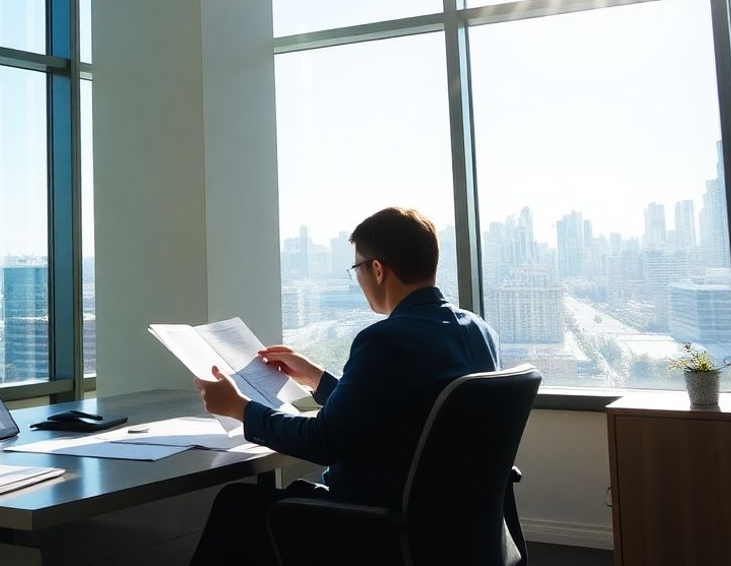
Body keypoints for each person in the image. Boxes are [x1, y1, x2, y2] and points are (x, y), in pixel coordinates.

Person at [190, 207, 501, 565]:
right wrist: (318, 379)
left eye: (357, 268)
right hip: (452, 528)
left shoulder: (386, 340)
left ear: (378, 269)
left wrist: (239, 408)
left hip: (377, 525)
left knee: (237, 505)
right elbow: (402, 409)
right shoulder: (480, 332)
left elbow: (324, 441)